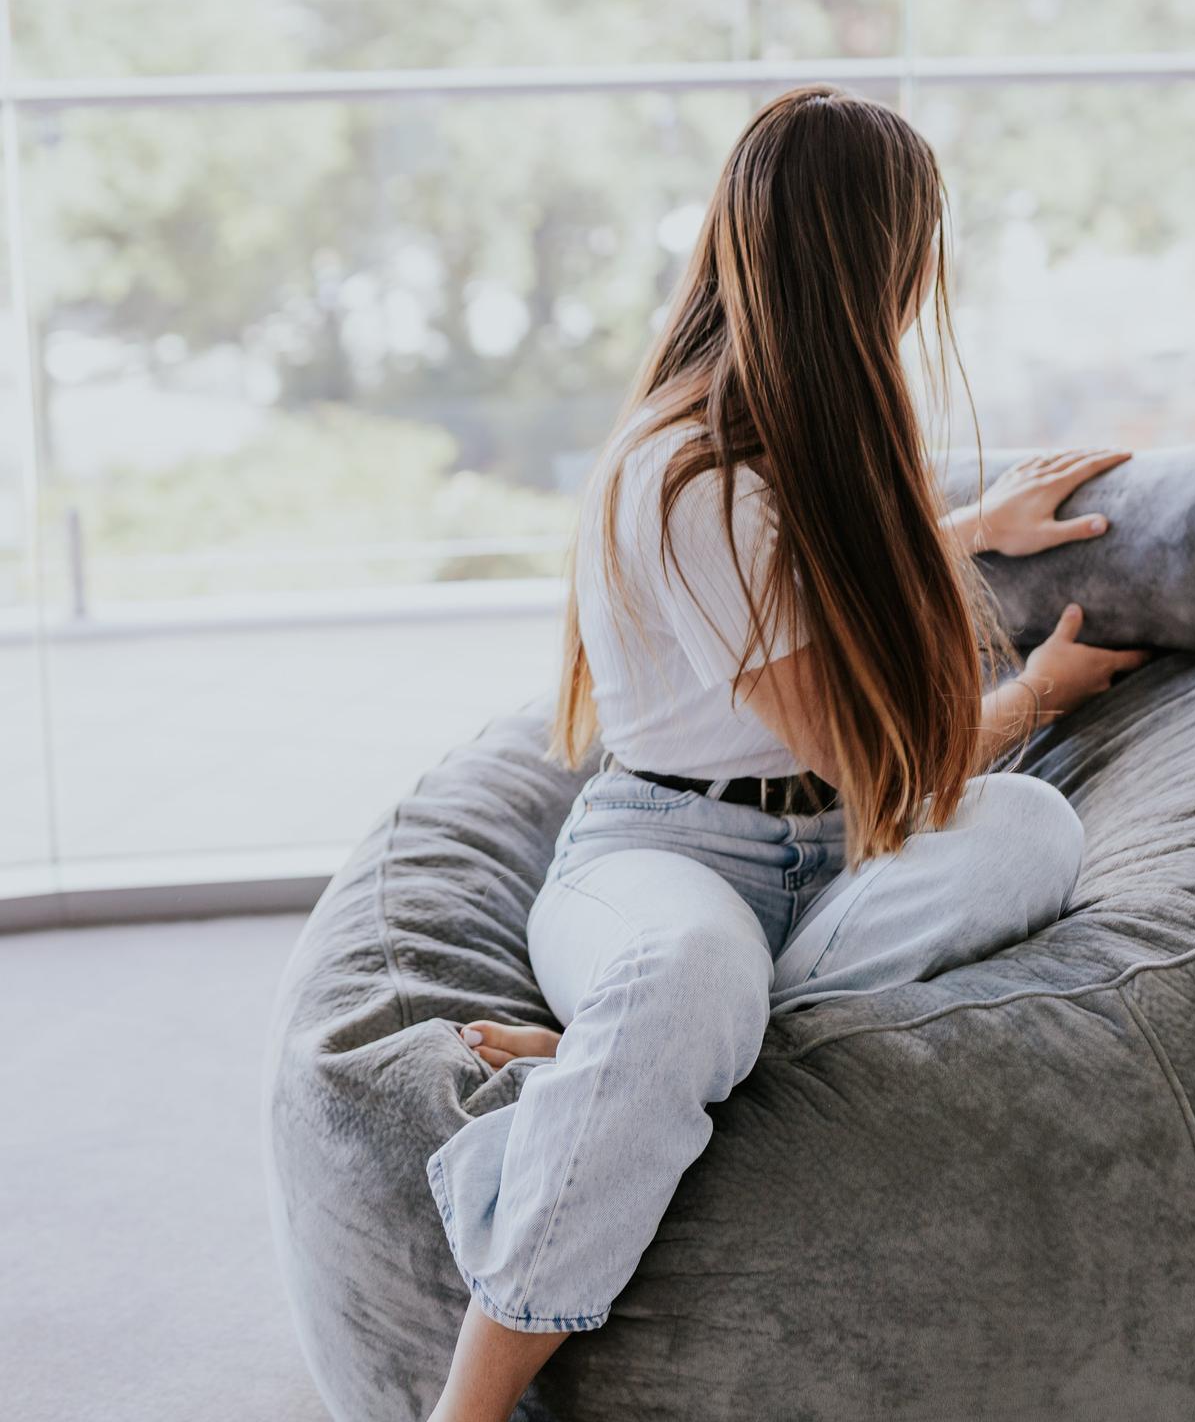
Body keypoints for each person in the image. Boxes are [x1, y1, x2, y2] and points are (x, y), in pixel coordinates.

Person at [423, 83, 1148, 1422]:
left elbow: (803, 594)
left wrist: (975, 527)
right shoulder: (689, 476)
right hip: (664, 849)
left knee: (1033, 834)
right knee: (691, 962)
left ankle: (630, 1064)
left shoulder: (792, 447)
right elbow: (889, 770)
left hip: (820, 867)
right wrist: (1039, 691)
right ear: (870, 259)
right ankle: (470, 1404)